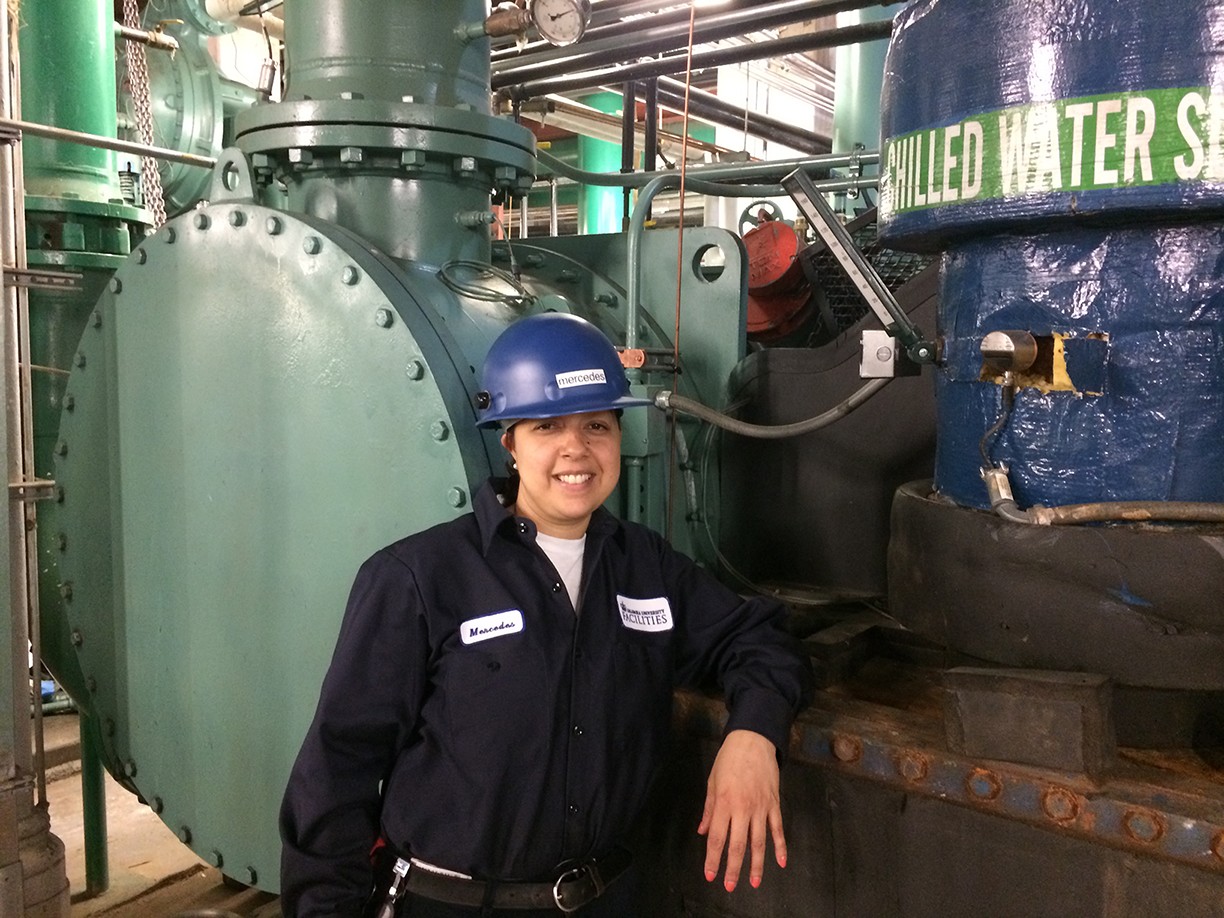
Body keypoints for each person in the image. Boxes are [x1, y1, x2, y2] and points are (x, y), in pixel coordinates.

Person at [280, 313, 813, 916]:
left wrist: (754, 735)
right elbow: (337, 770)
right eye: (547, 426)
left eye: (596, 425)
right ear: (510, 441)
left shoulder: (645, 566)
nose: (575, 449)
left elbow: (760, 638)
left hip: (606, 900)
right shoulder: (419, 578)